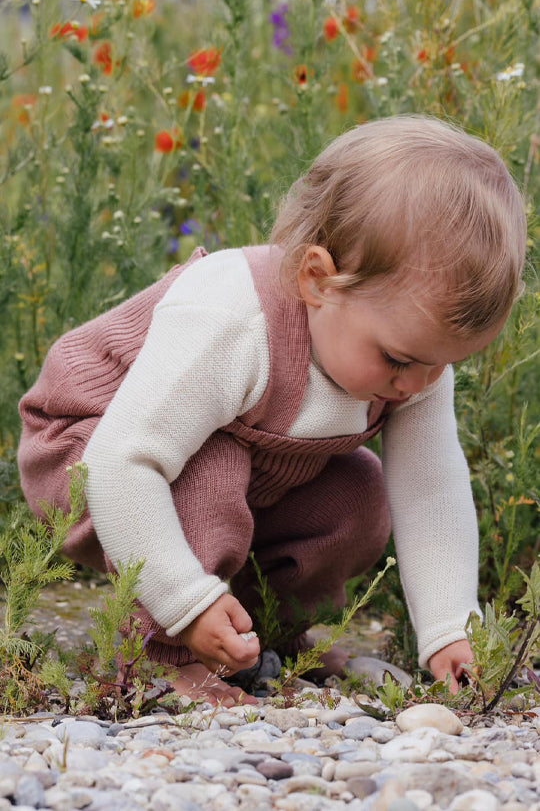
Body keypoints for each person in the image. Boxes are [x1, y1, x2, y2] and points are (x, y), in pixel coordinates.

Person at [18, 115, 527, 706]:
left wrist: (450, 630)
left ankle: (262, 642)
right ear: (318, 281)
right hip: (91, 453)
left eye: (442, 363)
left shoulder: (414, 361)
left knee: (359, 493)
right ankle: (167, 655)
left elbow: (431, 489)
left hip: (229, 466)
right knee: (212, 469)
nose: (417, 385)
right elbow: (122, 461)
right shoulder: (233, 319)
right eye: (397, 359)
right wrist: (185, 603)